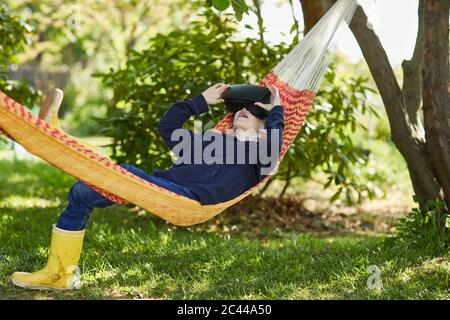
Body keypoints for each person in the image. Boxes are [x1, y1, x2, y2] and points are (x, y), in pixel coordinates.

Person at [10, 83, 285, 290]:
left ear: (265, 127)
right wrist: (199, 101)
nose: (243, 112)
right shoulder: (210, 142)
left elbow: (273, 149)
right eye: (239, 110)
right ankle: (58, 274)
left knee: (123, 173)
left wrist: (277, 113)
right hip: (160, 185)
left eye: (253, 112)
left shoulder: (259, 158)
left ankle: (57, 135)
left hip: (186, 199)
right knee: (81, 193)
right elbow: (167, 127)